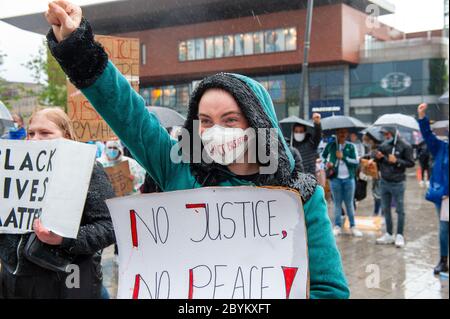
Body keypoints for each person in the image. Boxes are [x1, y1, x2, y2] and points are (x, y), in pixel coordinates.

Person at [43, 0, 350, 299]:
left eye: (230, 120)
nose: (216, 131)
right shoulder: (177, 168)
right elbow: (126, 111)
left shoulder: (300, 197)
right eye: (205, 120)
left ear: (259, 123)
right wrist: (76, 46)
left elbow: (331, 289)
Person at [0, 107, 116, 298]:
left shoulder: (88, 170)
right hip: (14, 281)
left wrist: (64, 239)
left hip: (63, 282)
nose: (35, 139)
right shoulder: (11, 171)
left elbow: (110, 227)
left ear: (67, 136)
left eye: (45, 133)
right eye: (31, 133)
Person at [417, 103, 448, 274]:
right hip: (444, 197)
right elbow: (428, 136)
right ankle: (443, 260)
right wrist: (422, 117)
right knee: (444, 228)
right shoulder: (442, 148)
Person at [374, 127, 414, 248]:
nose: (386, 136)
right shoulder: (384, 145)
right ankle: (389, 234)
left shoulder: (405, 146)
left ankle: (399, 235)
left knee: (400, 210)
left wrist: (397, 161)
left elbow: (410, 163)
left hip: (398, 182)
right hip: (384, 181)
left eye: (387, 134)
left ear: (393, 133)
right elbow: (378, 160)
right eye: (384, 134)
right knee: (386, 209)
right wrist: (379, 157)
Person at [322, 129, 363, 237]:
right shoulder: (331, 145)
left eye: (344, 133)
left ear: (347, 134)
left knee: (349, 204)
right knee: (337, 204)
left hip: (349, 179)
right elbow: (322, 157)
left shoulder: (351, 146)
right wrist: (327, 163)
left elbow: (356, 162)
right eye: (340, 132)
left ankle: (353, 226)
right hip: (335, 179)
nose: (342, 135)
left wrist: (343, 157)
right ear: (336, 134)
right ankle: (337, 226)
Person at [361, 133, 382, 216]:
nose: (367, 143)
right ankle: (377, 212)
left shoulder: (378, 148)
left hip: (379, 174)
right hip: (375, 174)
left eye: (367, 141)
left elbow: (374, 157)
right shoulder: (373, 148)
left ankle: (378, 212)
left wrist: (371, 159)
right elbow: (370, 155)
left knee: (378, 194)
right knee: (376, 193)